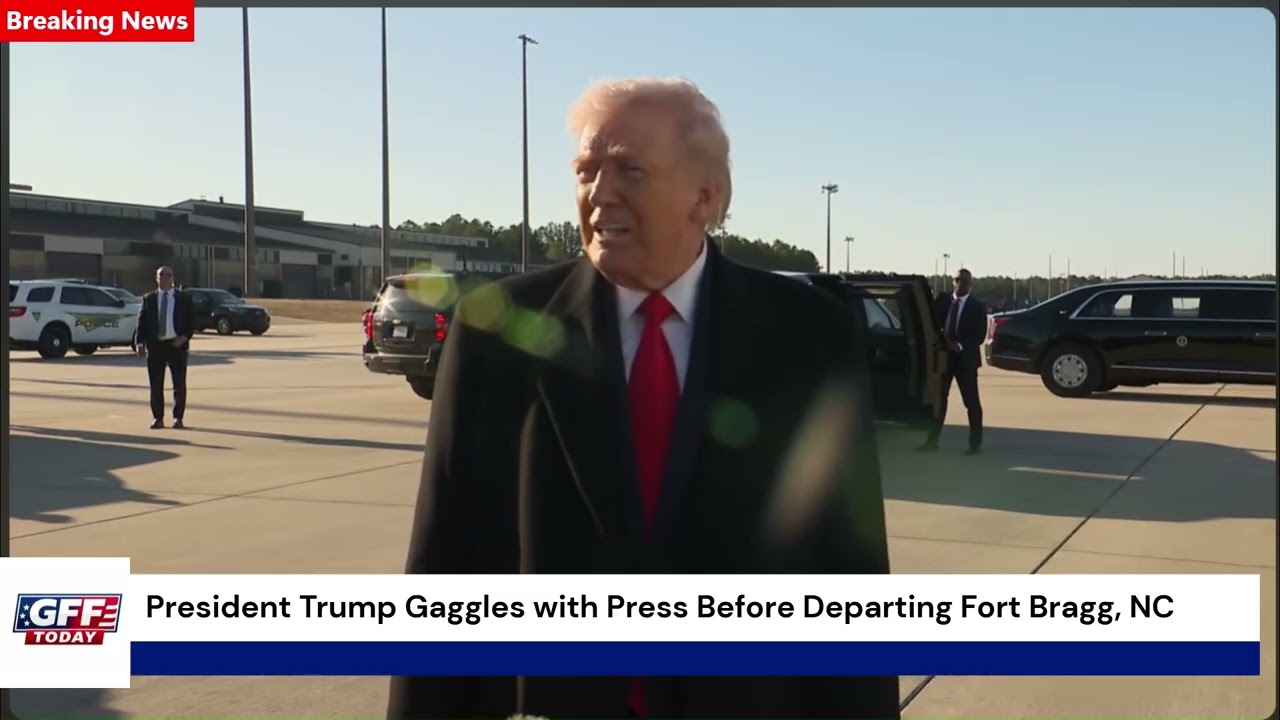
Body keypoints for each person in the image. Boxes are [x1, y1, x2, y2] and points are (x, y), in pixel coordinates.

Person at [387, 78, 898, 720]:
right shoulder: (497, 329)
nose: (599, 195)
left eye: (630, 169)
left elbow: (849, 575)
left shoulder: (809, 335)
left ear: (703, 197)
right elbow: (442, 564)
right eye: (586, 171)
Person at [919, 268, 987, 454]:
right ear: (952, 282)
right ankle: (932, 441)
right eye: (957, 280)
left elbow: (979, 336)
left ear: (970, 284)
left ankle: (975, 444)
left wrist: (959, 346)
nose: (960, 284)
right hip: (944, 358)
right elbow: (929, 317)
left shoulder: (976, 307)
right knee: (939, 401)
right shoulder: (943, 300)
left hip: (966, 360)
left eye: (964, 281)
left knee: (971, 402)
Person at [133, 265, 194, 429]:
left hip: (176, 345)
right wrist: (140, 343)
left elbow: (192, 322)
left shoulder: (183, 299)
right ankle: (158, 418)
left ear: (173, 278)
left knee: (179, 383)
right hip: (156, 346)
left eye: (168, 275)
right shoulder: (149, 299)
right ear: (156, 278)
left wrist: (184, 337)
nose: (164, 278)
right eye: (161, 275)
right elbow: (141, 323)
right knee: (156, 384)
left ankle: (178, 418)